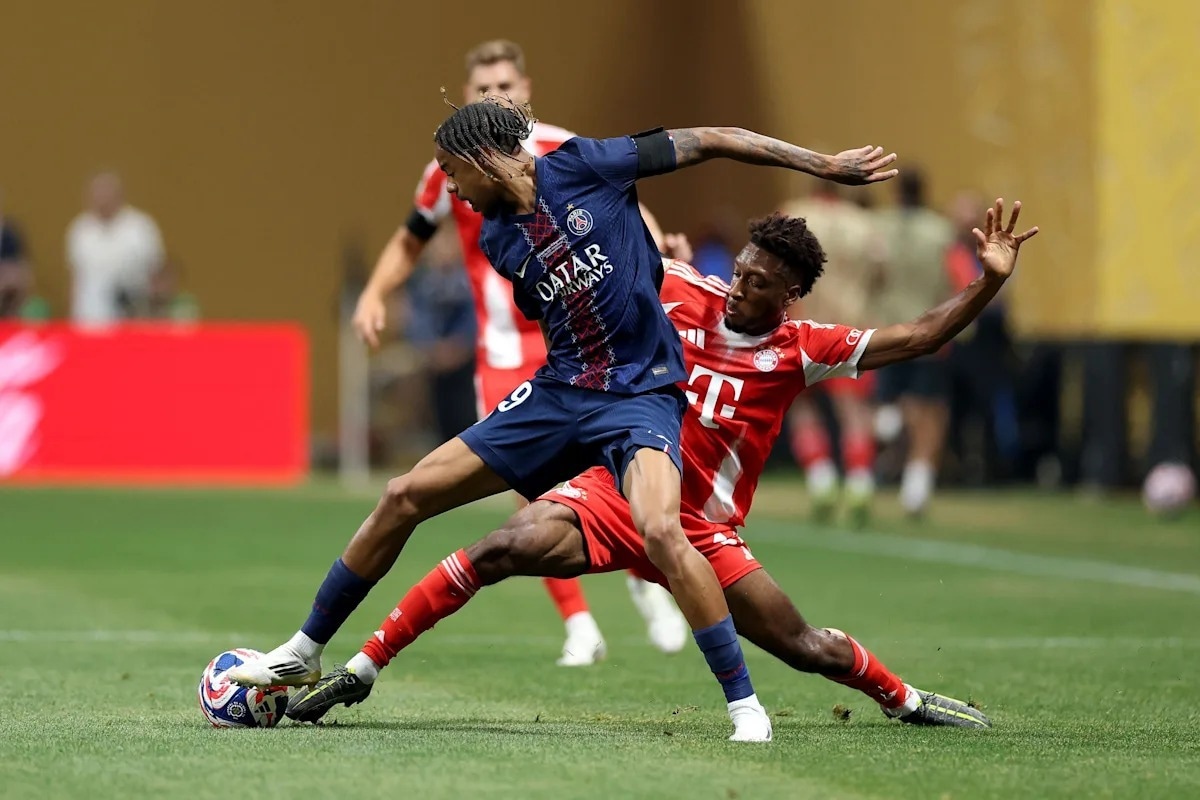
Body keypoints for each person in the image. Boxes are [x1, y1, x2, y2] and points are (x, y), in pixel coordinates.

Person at [230, 94, 898, 743]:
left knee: (663, 530)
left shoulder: (587, 164)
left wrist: (822, 165)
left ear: (485, 157)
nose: (450, 188)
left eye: (452, 170)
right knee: (405, 493)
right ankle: (304, 648)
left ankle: (745, 708)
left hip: (641, 396)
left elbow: (715, 137)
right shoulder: (498, 238)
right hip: (560, 394)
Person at [285, 199, 1036, 732]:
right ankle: (363, 668)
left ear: (792, 294)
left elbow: (917, 334)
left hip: (704, 531)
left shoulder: (802, 349)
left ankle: (903, 699)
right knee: (499, 548)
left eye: (760, 283)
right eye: (740, 271)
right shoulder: (682, 290)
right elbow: (627, 242)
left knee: (805, 647)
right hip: (620, 492)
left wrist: (989, 281)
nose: (740, 287)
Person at [351, 39, 687, 665]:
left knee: (622, 472)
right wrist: (375, 291)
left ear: (525, 89)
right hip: (506, 347)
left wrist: (667, 249)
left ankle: (649, 589)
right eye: (481, 89)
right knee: (530, 491)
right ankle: (580, 625)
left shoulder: (563, 148)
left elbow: (624, 205)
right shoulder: (445, 171)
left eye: (504, 85)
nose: (493, 97)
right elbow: (410, 238)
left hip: (597, 341)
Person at [781, 181, 884, 523]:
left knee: (801, 405)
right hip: (848, 327)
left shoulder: (792, 215)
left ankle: (820, 478)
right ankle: (859, 483)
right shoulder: (863, 224)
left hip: (802, 326)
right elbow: (881, 274)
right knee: (854, 411)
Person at [871, 170, 957, 515]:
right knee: (931, 411)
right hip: (929, 327)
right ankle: (916, 486)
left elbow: (873, 277)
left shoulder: (879, 227)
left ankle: (888, 424)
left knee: (893, 399)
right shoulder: (940, 231)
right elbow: (953, 277)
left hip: (889, 328)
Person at [66, 171, 164, 326]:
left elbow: (157, 274)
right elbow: (76, 277)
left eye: (106, 193)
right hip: (89, 318)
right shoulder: (80, 229)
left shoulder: (140, 227)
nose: (102, 199)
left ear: (119, 195)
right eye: (97, 194)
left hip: (132, 317)